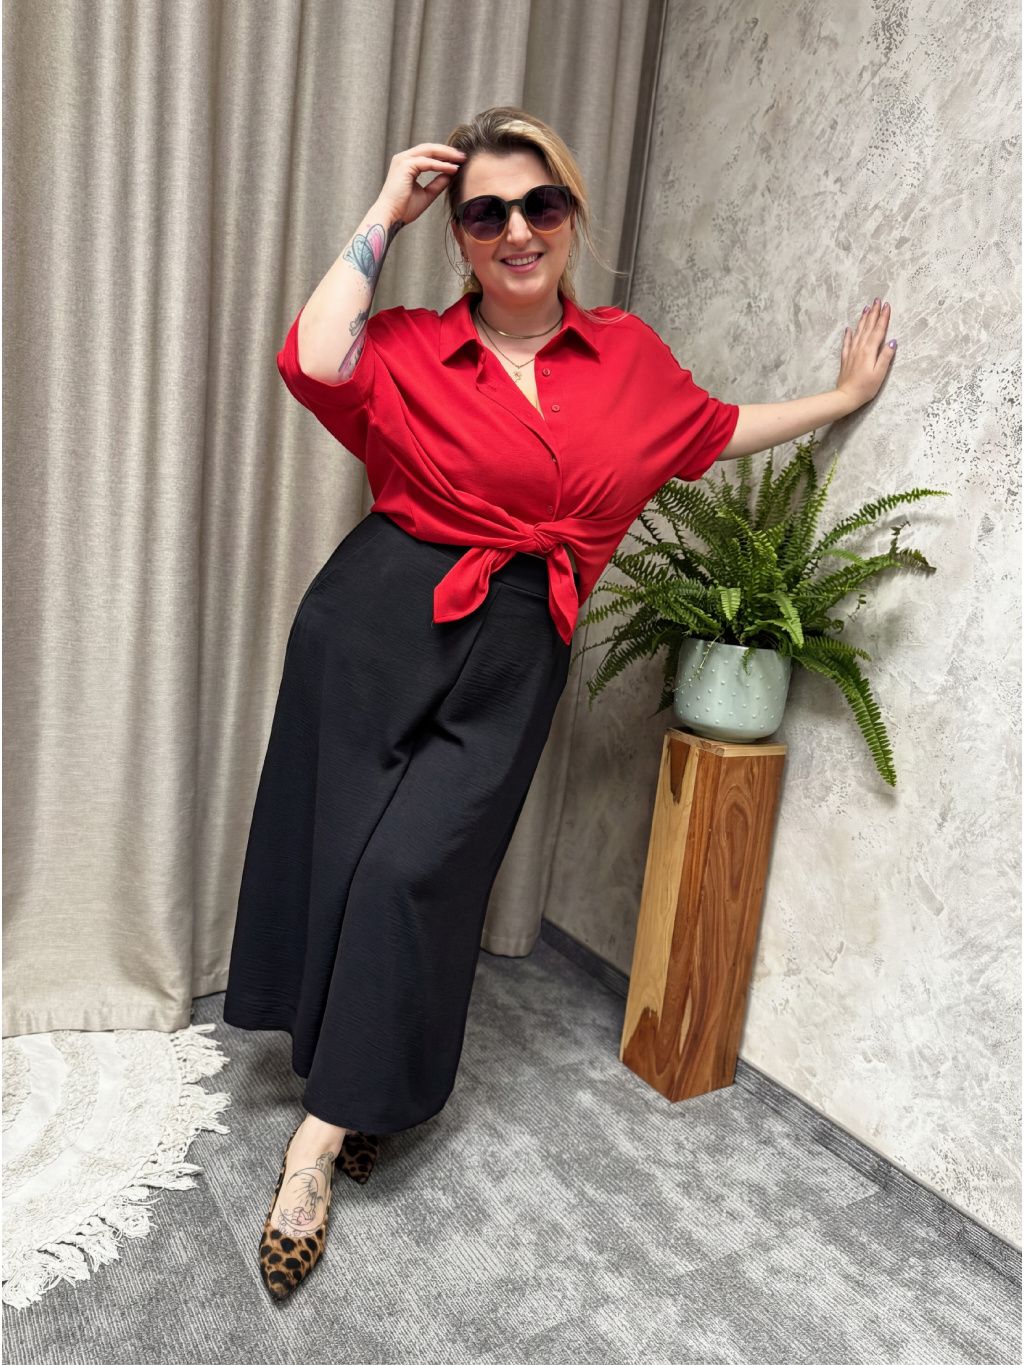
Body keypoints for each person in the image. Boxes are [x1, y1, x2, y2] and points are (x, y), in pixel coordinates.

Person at [223, 106, 896, 1301]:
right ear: (460, 236)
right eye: (485, 214)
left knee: (414, 875)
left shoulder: (626, 357)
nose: (516, 231)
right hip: (376, 623)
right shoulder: (413, 347)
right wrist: (384, 211)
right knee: (343, 857)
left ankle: (334, 1117)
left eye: (539, 204)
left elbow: (714, 431)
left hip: (521, 643)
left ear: (572, 213)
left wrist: (837, 401)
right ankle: (331, 1128)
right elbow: (312, 359)